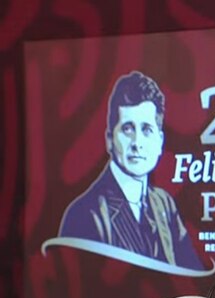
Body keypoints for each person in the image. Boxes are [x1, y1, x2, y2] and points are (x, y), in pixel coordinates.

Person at [58, 71, 203, 270]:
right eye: (127, 129)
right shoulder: (85, 214)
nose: (137, 143)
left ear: (160, 141)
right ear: (109, 139)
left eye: (146, 130)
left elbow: (193, 278)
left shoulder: (164, 204)